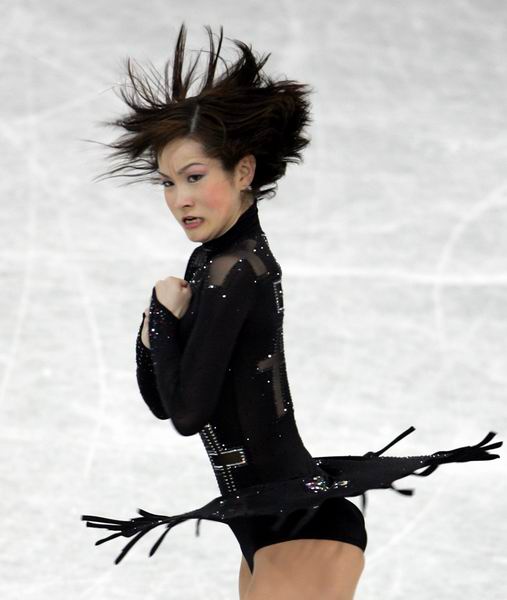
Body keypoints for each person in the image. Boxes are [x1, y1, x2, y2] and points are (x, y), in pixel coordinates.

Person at [81, 23, 503, 600]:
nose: (180, 199)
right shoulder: (209, 263)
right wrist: (154, 331)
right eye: (168, 183)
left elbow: (187, 412)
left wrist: (161, 320)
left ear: (243, 171)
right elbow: (163, 399)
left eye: (195, 177)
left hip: (300, 523)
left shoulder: (237, 270)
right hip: (262, 516)